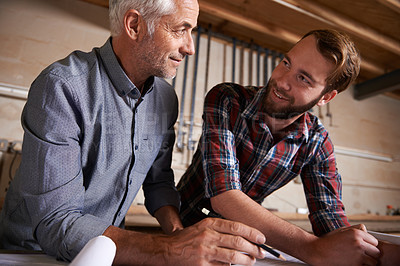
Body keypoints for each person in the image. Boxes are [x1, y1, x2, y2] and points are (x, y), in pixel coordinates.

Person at [0, 0, 267, 265]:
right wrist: (171, 249)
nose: (190, 47)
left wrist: (179, 234)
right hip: (31, 254)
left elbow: (158, 181)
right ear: (135, 25)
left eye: (192, 31)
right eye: (180, 29)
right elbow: (56, 222)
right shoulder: (62, 87)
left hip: (107, 253)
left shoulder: (165, 99)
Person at [178, 29, 400, 265]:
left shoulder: (317, 143)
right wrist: (313, 249)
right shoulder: (228, 98)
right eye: (286, 63)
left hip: (237, 236)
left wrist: (376, 252)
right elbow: (224, 195)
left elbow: (331, 222)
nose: (282, 81)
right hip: (179, 222)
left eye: (303, 79)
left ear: (326, 97)